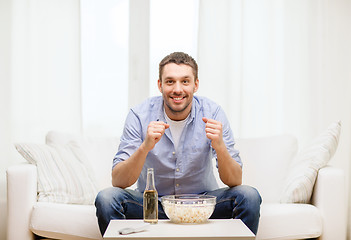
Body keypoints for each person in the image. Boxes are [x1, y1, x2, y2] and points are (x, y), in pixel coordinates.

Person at [95, 52, 261, 236]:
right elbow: (118, 181)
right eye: (170, 81)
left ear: (195, 84)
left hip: (202, 205)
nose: (177, 89)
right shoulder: (138, 115)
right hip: (152, 205)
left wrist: (220, 146)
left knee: (249, 196)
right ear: (160, 85)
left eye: (185, 81)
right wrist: (145, 147)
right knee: (106, 198)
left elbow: (235, 181)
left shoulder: (213, 112)